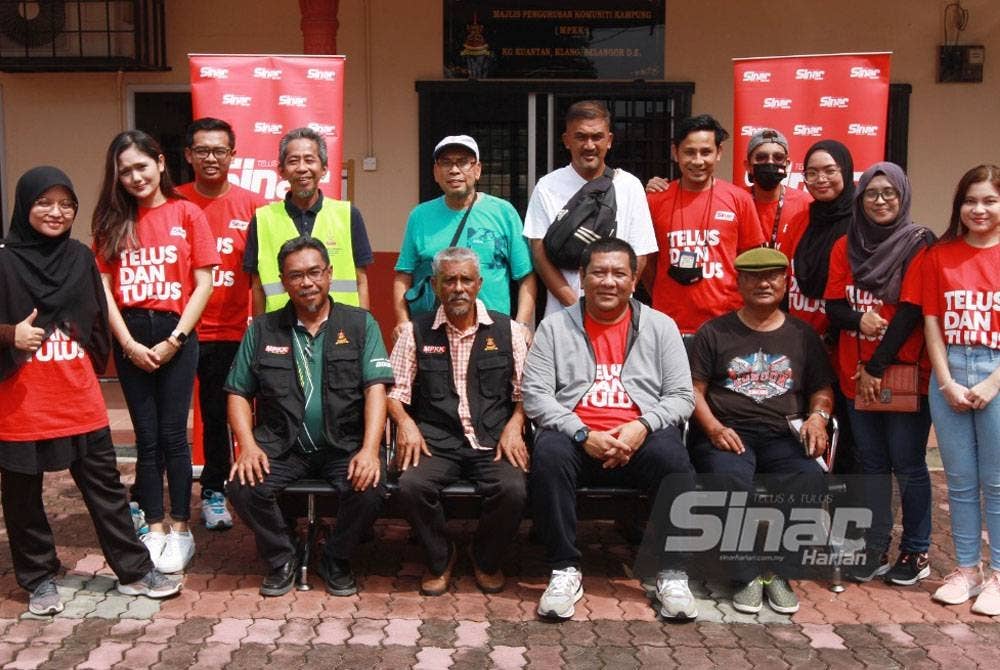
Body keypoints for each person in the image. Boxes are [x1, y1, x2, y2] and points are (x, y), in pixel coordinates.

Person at [0, 166, 182, 616]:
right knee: (23, 499)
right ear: (24, 206)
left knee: (107, 492)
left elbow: (97, 320)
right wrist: (9, 336)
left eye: (66, 204)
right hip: (21, 403)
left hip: (78, 397)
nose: (55, 212)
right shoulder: (3, 261)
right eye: (44, 202)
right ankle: (39, 577)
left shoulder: (80, 257)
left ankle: (136, 571)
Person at [522, 238, 697, 620]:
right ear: (582, 278)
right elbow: (535, 396)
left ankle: (671, 571)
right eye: (598, 272)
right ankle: (564, 568)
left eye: (619, 273)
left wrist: (641, 425)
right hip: (578, 438)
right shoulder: (554, 328)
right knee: (549, 454)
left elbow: (683, 396)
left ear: (634, 280)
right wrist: (582, 433)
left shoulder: (660, 326)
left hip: (640, 437)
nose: (608, 281)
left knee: (674, 460)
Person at [226, 236, 393, 597]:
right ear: (284, 282)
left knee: (372, 487)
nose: (307, 283)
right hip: (284, 446)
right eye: (296, 275)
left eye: (315, 272)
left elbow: (376, 389)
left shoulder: (362, 325)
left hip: (343, 445)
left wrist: (369, 450)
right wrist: (248, 446)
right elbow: (238, 392)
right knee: (242, 485)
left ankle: (335, 558)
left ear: (330, 274)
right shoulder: (262, 329)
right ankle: (282, 556)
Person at [92, 131, 219, 574]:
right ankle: (154, 524)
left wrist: (176, 340)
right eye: (124, 171)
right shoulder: (111, 221)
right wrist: (126, 343)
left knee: (172, 436)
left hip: (176, 333)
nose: (134, 177)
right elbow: (104, 288)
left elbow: (202, 282)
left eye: (140, 166)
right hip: (130, 333)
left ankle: (182, 527)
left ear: (161, 163)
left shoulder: (187, 213)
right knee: (146, 438)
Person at [688, 247, 835, 615]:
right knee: (728, 482)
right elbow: (693, 390)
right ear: (739, 282)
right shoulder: (715, 332)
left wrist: (818, 416)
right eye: (753, 276)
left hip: (784, 434)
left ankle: (779, 573)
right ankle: (746, 575)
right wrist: (714, 427)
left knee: (807, 480)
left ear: (786, 283)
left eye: (772, 276)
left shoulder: (803, 336)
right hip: (728, 433)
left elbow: (821, 389)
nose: (763, 283)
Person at [389, 246, 529, 595]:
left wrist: (515, 425)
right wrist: (404, 422)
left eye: (466, 279)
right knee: (411, 486)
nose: (458, 288)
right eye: (449, 280)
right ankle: (441, 556)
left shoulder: (507, 330)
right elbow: (391, 392)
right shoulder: (414, 332)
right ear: (435, 286)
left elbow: (527, 391)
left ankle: (485, 557)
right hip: (437, 441)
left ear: (479, 283)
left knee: (513, 489)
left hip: (493, 439)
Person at [823, 162, 935, 586]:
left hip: (903, 373)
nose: (881, 200)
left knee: (907, 464)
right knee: (870, 464)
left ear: (903, 195)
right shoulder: (845, 244)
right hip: (856, 376)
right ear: (861, 198)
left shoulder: (918, 242)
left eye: (889, 192)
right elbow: (834, 306)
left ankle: (916, 550)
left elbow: (911, 311)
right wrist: (857, 321)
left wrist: (876, 365)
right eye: (872, 192)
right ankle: (873, 546)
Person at [177, 117, 267, 530]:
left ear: (233, 155)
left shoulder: (254, 207)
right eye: (202, 150)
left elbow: (262, 275)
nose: (210, 158)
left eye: (219, 150)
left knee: (218, 416)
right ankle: (160, 498)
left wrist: (260, 329)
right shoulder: (172, 201)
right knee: (168, 419)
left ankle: (215, 492)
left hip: (230, 332)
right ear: (188, 155)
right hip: (175, 331)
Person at [922, 164, 1000, 615]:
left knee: (996, 481)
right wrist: (946, 380)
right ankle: (968, 570)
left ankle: (998, 574)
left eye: (989, 200)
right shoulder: (941, 254)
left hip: (995, 368)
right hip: (950, 370)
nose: (979, 209)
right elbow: (932, 320)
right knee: (961, 482)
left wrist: (992, 382)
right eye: (971, 200)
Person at [524, 100, 657, 318]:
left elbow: (640, 254)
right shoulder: (546, 186)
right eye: (580, 137)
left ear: (609, 140)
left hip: (618, 317)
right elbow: (539, 255)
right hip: (563, 316)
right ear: (567, 140)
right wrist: (576, 306)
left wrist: (613, 304)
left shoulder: (630, 186)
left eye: (596, 137)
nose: (589, 145)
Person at [393, 135, 535, 338]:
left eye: (463, 162)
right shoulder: (420, 216)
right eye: (446, 163)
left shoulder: (504, 213)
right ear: (435, 172)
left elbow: (525, 276)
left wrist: (522, 325)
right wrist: (402, 321)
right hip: (434, 333)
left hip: (493, 332)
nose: (454, 170)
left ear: (477, 170)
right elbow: (403, 275)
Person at [644, 114, 765, 337]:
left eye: (706, 152)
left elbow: (751, 263)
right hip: (670, 328)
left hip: (728, 325)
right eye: (689, 152)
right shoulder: (654, 201)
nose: (698, 161)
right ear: (675, 153)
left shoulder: (739, 199)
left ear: (719, 153)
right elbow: (647, 265)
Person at [243, 127, 373, 313]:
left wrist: (364, 329)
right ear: (281, 170)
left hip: (341, 330)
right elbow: (257, 287)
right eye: (293, 161)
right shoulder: (263, 219)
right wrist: (260, 335)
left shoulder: (348, 215)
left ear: (324, 169)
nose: (302, 168)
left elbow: (361, 281)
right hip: (281, 330)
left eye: (310, 160)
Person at [646, 127, 812, 250]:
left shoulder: (806, 203)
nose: (770, 163)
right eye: (761, 157)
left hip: (793, 292)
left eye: (778, 157)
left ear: (787, 164)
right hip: (741, 291)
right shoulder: (736, 199)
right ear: (748, 166)